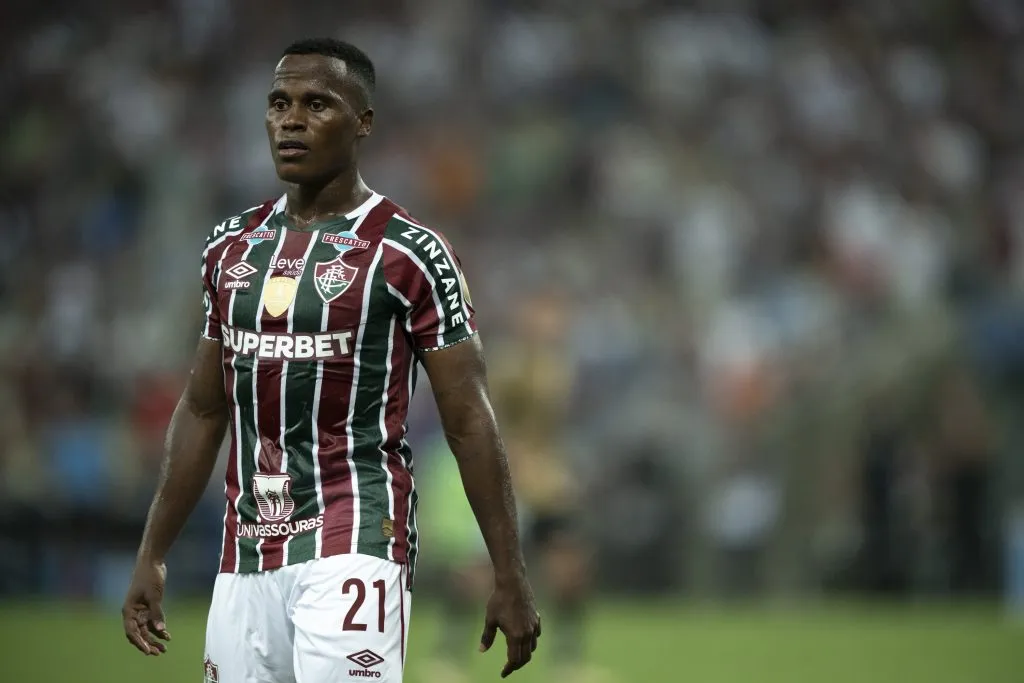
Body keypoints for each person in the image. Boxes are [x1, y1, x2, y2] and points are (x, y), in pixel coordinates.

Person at [121, 38, 541, 683]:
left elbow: (469, 419)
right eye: (279, 103)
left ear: (363, 122)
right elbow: (205, 408)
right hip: (248, 551)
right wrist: (153, 552)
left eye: (317, 104)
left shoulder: (410, 253)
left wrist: (508, 572)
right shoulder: (230, 249)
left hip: (358, 538)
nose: (291, 119)